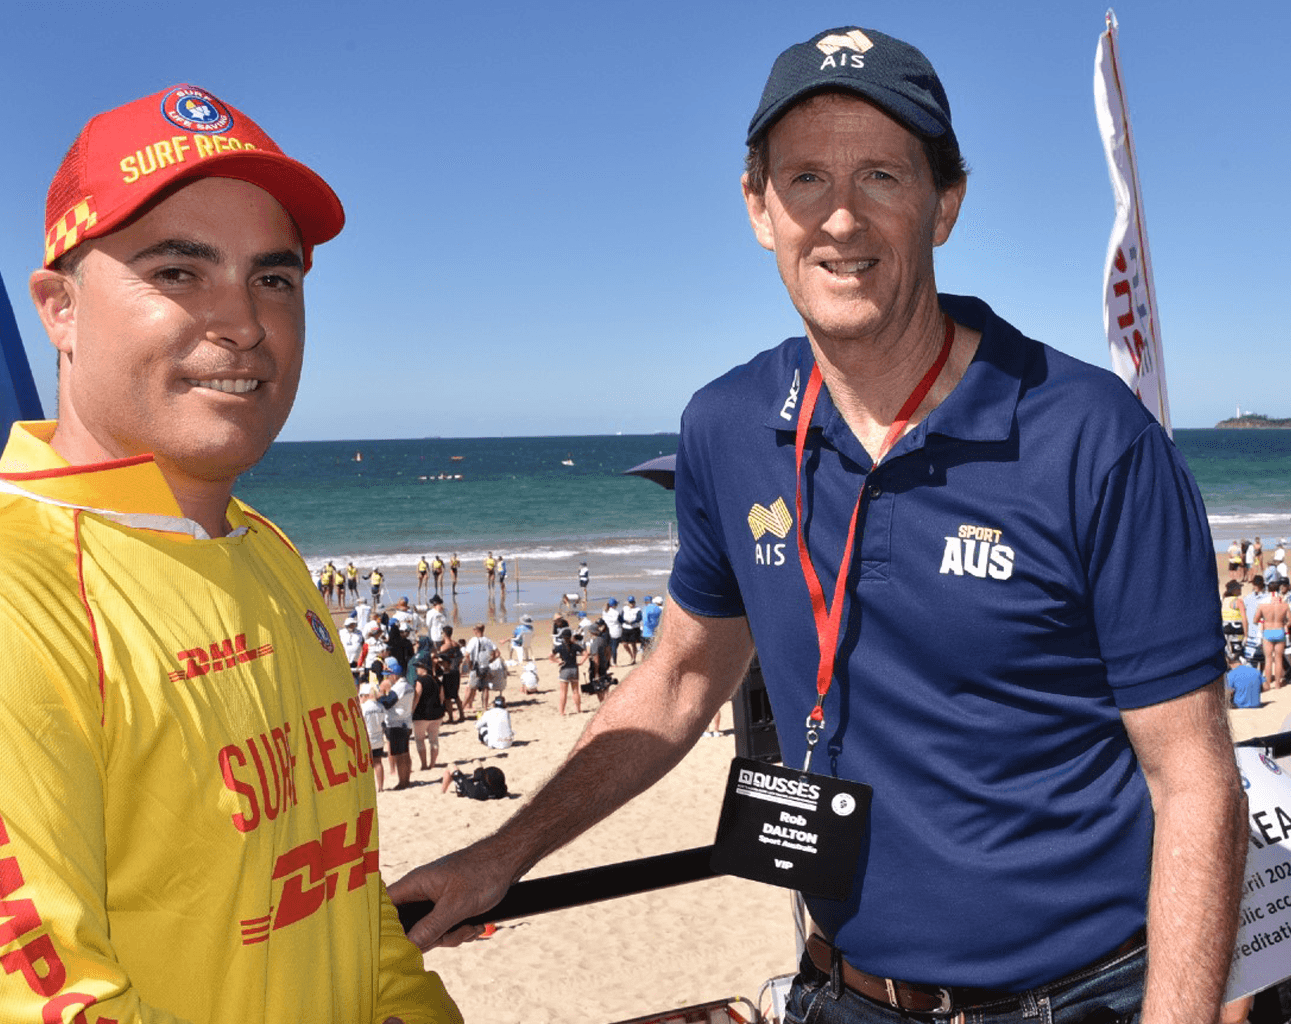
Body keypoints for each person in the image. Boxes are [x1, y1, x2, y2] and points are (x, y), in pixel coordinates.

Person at [391, 29, 1241, 1024]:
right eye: (805, 178)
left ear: (946, 203)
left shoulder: (1092, 436)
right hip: (845, 993)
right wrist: (504, 851)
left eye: (882, 173)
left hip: (1079, 997)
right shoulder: (727, 427)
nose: (841, 215)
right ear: (759, 207)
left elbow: (1193, 779)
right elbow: (677, 681)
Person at [0, 83, 456, 1022]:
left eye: (273, 278)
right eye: (180, 273)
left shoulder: (262, 551)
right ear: (59, 308)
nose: (244, 321)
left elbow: (342, 898)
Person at [1255, 580, 1289, 690]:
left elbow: (1255, 620)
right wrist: (1284, 623)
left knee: (1268, 659)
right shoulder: (1284, 604)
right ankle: (1278, 684)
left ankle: (1268, 684)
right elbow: (1290, 621)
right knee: (1278, 659)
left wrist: (1263, 621)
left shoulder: (1262, 604)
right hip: (1279, 630)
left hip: (1268, 631)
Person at [411, 661, 444, 770]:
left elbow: (417, 697)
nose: (416, 670)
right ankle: (433, 764)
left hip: (422, 714)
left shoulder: (420, 681)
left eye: (418, 668)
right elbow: (442, 697)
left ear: (423, 668)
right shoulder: (437, 680)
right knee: (434, 740)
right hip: (437, 714)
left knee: (420, 740)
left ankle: (424, 764)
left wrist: (411, 711)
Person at [461, 624, 501, 711]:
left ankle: (462, 707)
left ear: (476, 630)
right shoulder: (488, 640)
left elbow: (467, 654)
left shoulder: (474, 640)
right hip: (486, 666)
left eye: (473, 629)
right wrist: (490, 661)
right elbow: (498, 653)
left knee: (471, 689)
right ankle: (485, 707)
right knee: (485, 688)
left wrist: (469, 665)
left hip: (476, 667)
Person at [358, 682, 387, 792]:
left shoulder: (363, 708)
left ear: (365, 695)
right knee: (378, 762)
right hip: (378, 737)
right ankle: (380, 787)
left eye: (361, 696)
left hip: (367, 739)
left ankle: (369, 788)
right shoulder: (380, 706)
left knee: (367, 764)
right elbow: (384, 721)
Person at [550, 627, 583, 717]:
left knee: (563, 692)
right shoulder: (575, 645)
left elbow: (551, 656)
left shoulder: (559, 647)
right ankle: (578, 709)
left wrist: (558, 661)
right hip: (574, 669)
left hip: (565, 669)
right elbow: (586, 653)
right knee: (576, 691)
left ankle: (562, 711)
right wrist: (581, 662)